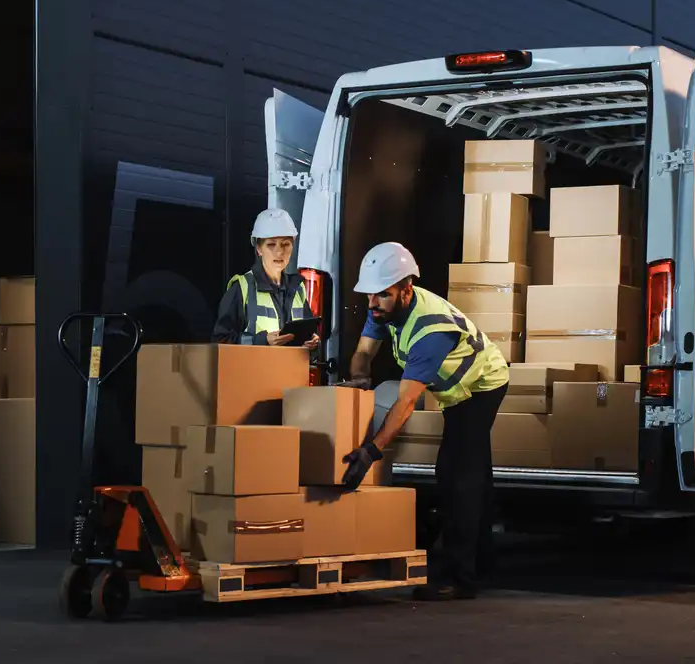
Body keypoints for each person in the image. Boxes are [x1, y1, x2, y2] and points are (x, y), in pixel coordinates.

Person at [338, 242, 509, 601]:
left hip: (479, 387)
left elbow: (407, 402)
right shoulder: (384, 306)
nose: (372, 304)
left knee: (455, 476)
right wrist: (357, 380)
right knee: (474, 474)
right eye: (370, 295)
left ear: (406, 289)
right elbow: (364, 352)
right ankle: (484, 564)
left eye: (381, 296)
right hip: (456, 390)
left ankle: (459, 579)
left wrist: (372, 451)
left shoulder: (430, 332)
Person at [212, 208, 320, 350]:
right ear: (259, 249)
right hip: (255, 372)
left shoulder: (298, 289)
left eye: (285, 244)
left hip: (290, 372)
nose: (279, 251)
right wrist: (262, 340)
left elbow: (308, 338)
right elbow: (220, 341)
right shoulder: (242, 287)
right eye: (271, 244)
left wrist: (311, 342)